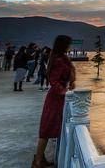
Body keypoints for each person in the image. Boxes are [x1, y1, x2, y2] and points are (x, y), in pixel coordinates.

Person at [33, 35, 75, 168]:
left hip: (59, 97)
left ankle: (40, 159)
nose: (70, 47)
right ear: (64, 45)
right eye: (69, 44)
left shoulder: (62, 58)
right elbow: (53, 80)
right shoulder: (58, 60)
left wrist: (71, 83)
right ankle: (38, 161)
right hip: (55, 98)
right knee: (46, 129)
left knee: (50, 127)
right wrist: (64, 92)